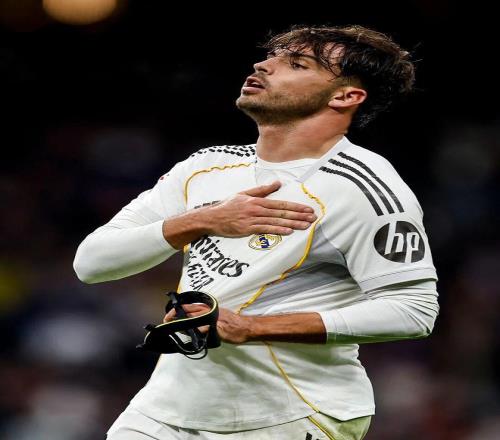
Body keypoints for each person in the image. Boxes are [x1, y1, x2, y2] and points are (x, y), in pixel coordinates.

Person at [73, 25, 439, 440]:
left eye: (296, 64)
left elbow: (412, 310)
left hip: (291, 413)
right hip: (165, 410)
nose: (263, 65)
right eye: (272, 56)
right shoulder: (206, 167)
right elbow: (92, 263)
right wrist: (202, 220)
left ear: (345, 96)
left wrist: (253, 327)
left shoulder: (362, 186)